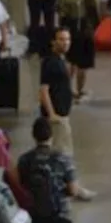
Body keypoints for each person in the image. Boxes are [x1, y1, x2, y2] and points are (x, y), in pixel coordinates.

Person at [54, 0, 101, 101]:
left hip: (68, 28)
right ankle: (80, 91)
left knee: (70, 61)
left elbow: (57, 7)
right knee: (82, 64)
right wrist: (96, 25)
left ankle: (68, 89)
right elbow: (95, 11)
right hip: (84, 29)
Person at [38, 27, 76, 155]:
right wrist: (52, 114)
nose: (65, 43)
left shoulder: (61, 60)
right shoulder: (51, 62)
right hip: (57, 115)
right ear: (53, 41)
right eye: (61, 39)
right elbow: (44, 90)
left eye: (67, 39)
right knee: (61, 151)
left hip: (63, 113)